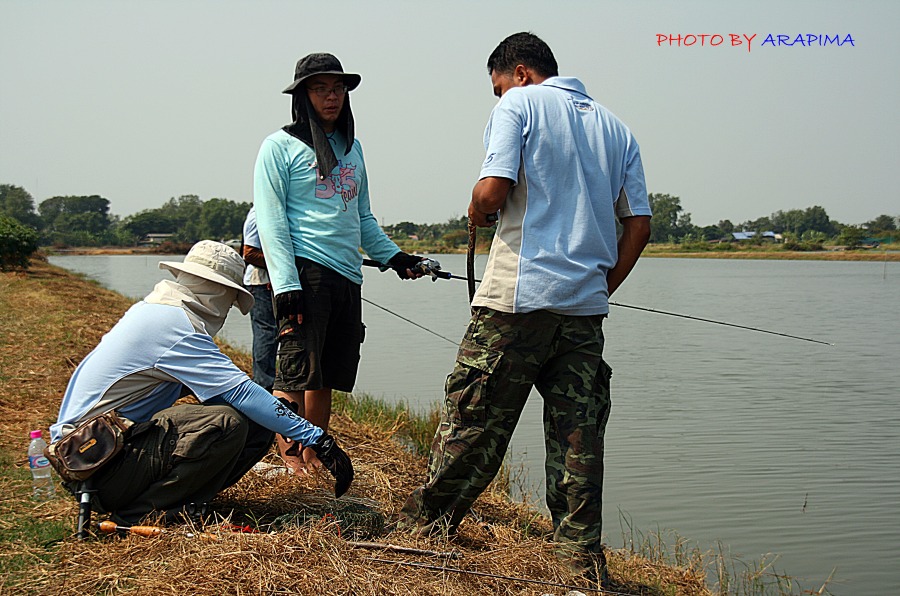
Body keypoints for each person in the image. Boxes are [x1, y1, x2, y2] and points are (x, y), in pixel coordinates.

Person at [399, 32, 652, 585]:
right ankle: (580, 564)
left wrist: (475, 206)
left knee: (473, 422)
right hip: (583, 312)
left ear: (519, 72)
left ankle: (425, 530)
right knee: (578, 441)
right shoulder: (616, 127)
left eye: (496, 87)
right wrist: (603, 286)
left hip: (517, 300)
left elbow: (492, 192)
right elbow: (639, 224)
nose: (497, 97)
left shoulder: (519, 104)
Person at [49, 240, 353, 525]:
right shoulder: (174, 326)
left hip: (98, 457)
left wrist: (274, 412)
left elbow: (232, 393)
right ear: (216, 291)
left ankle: (186, 500)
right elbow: (241, 393)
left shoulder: (156, 311)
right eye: (230, 300)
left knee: (253, 421)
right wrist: (320, 439)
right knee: (226, 423)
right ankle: (144, 511)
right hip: (95, 464)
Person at [253, 52, 425, 473]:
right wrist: (287, 284)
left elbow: (362, 217)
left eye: (338, 88)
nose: (331, 97)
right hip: (305, 272)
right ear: (302, 95)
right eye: (320, 88)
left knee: (326, 374)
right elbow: (272, 223)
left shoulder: (352, 148)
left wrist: (395, 257)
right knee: (294, 373)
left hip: (346, 275)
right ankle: (291, 461)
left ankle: (315, 453)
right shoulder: (279, 147)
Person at [241, 207, 277, 392]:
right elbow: (249, 253)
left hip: (274, 282)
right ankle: (264, 385)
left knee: (277, 334)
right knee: (267, 333)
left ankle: (275, 384)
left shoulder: (281, 210)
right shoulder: (259, 213)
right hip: (260, 282)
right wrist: (278, 269)